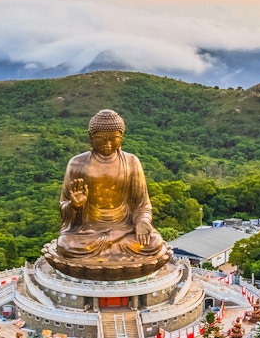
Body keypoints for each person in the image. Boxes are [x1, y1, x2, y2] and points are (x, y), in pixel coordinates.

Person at [44, 109, 171, 280]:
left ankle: (112, 251)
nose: (108, 144)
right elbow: (64, 208)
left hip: (125, 229)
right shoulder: (77, 164)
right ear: (91, 137)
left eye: (113, 139)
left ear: (121, 137)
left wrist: (142, 221)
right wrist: (75, 205)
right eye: (101, 140)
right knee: (66, 246)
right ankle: (113, 254)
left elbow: (142, 204)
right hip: (89, 231)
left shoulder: (132, 162)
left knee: (153, 243)